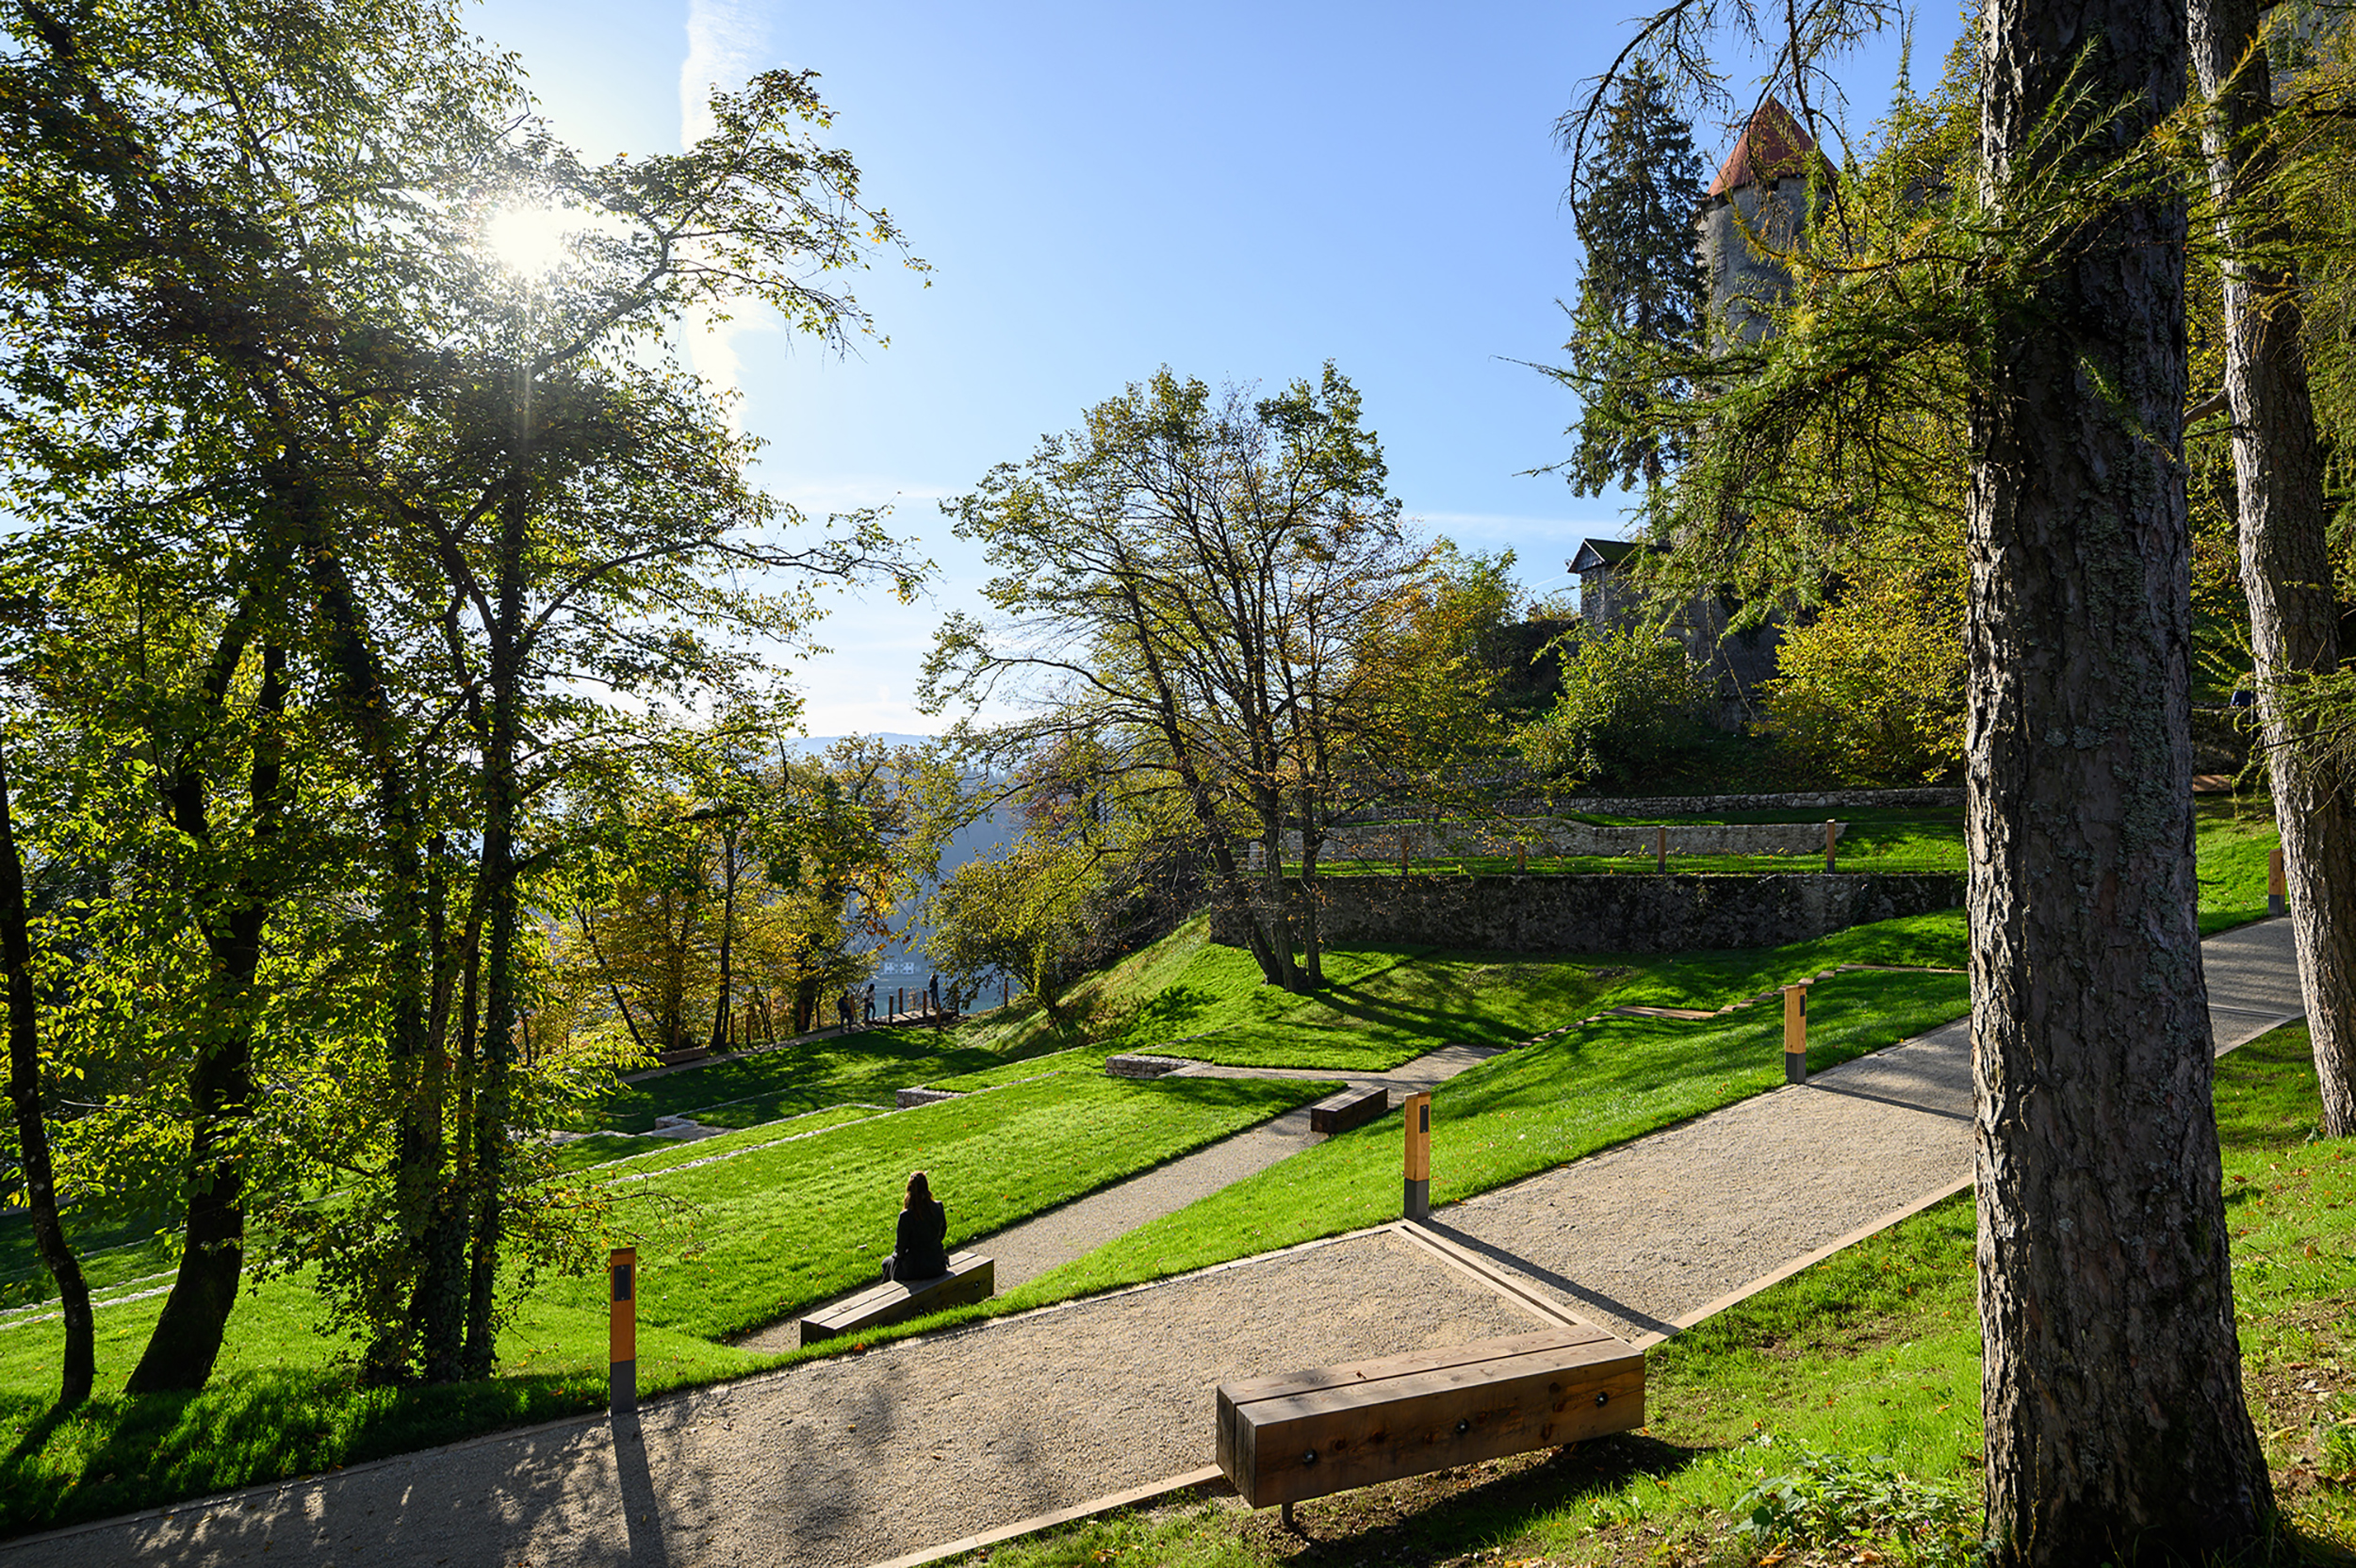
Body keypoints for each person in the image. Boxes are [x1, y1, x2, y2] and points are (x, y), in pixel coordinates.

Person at [880, 1169, 949, 1282]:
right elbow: (941, 1234)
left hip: (914, 1268)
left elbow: (900, 1249)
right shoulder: (938, 1207)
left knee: (886, 1264)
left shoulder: (906, 1216)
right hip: (937, 1264)